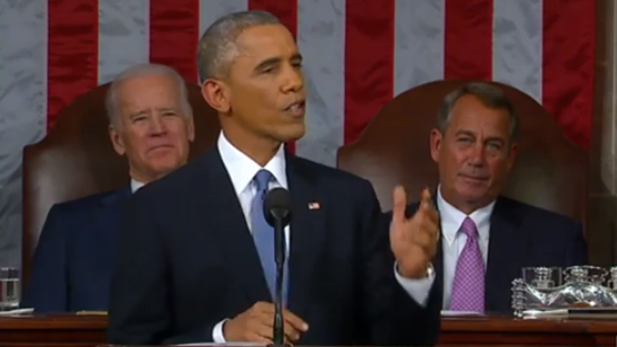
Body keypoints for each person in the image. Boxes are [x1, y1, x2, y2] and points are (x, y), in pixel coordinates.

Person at [107, 10, 441, 346]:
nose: (294, 82)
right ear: (218, 95)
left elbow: (393, 339)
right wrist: (222, 336)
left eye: (294, 64)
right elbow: (131, 340)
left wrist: (411, 275)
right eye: (269, 69)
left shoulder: (347, 200)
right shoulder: (159, 208)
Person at [390, 82, 588, 314]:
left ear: (510, 158)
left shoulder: (557, 241)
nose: (476, 159)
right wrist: (411, 278)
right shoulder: (385, 234)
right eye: (465, 140)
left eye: (493, 145)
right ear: (437, 145)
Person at [20, 63, 195, 313]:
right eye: (140, 118)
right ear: (118, 140)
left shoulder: (233, 213)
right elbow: (41, 332)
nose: (158, 129)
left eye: (169, 114)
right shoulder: (71, 228)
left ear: (189, 128)